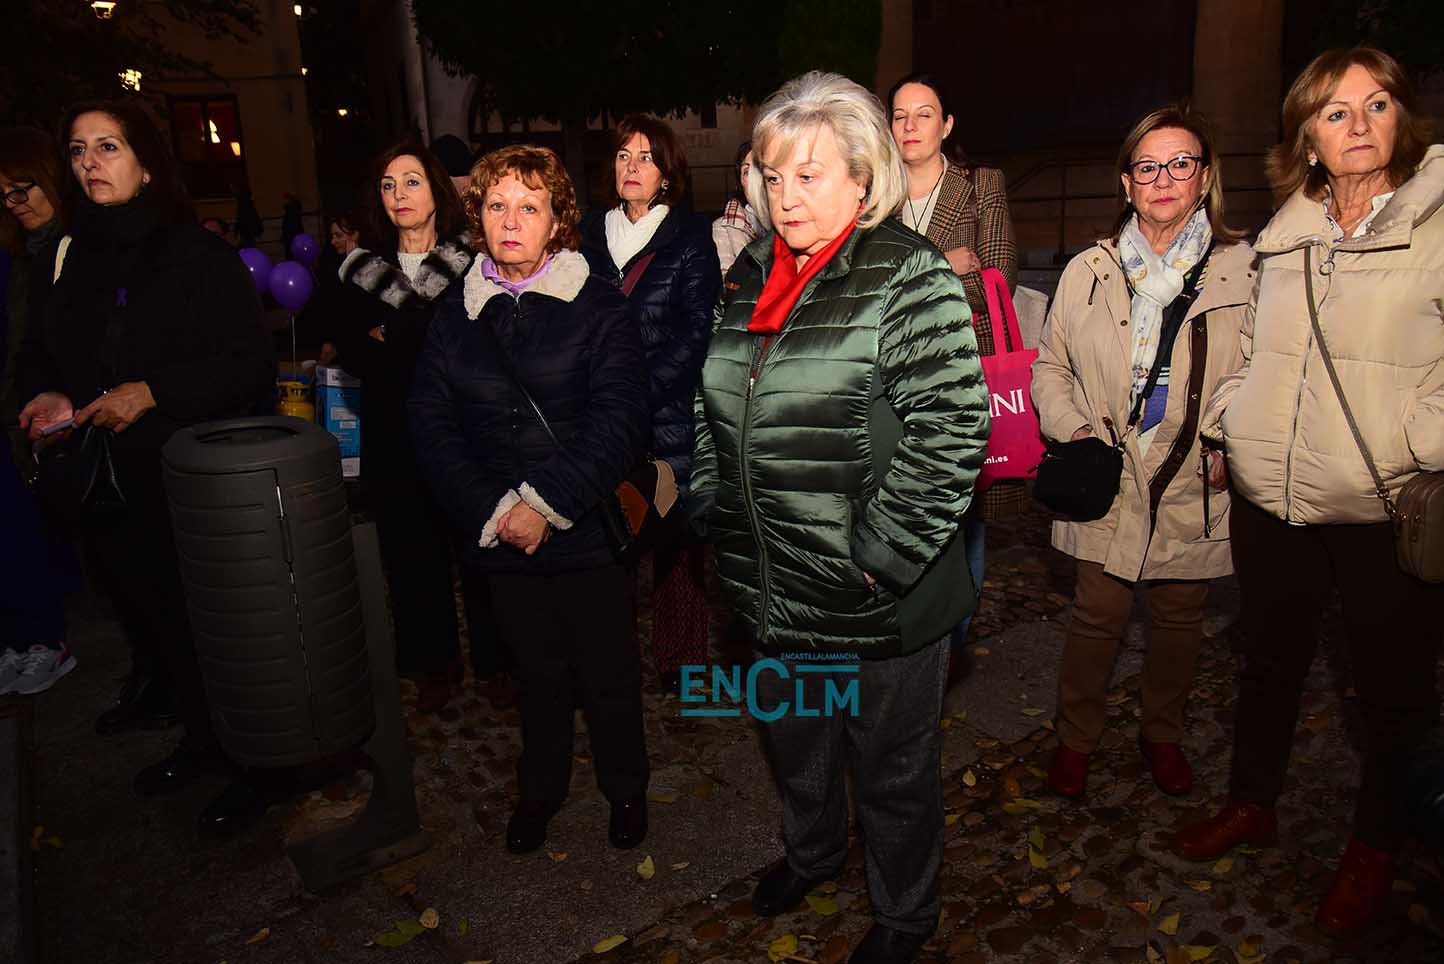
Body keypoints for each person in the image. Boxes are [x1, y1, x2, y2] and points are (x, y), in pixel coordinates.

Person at [690, 72, 989, 964]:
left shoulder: (906, 272)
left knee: (892, 772)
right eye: (773, 176)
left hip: (874, 597)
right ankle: (813, 856)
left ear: (863, 176)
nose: (785, 197)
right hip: (771, 582)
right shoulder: (750, 271)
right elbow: (713, 400)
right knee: (798, 744)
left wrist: (881, 553)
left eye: (809, 175)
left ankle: (905, 913)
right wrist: (713, 500)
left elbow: (954, 426)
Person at [1169, 47, 1444, 937]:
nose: (1358, 125)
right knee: (1267, 660)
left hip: (1379, 501)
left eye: (1376, 104)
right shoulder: (1284, 235)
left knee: (1392, 690)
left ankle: (1376, 845)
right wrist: (1232, 426)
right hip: (1274, 498)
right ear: (1307, 139)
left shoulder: (1438, 223)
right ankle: (1253, 802)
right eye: (1335, 112)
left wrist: (1416, 444)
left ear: (1402, 117)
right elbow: (1252, 346)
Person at [17, 100, 274, 833]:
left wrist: (154, 391)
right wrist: (51, 391)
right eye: (77, 150)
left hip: (186, 479)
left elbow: (246, 365)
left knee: (213, 630)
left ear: (147, 164)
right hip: (109, 482)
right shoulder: (74, 257)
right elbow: (46, 350)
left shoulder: (196, 255)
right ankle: (201, 743)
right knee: (157, 623)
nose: (89, 162)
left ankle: (257, 766)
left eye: (108, 146)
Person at [410, 144, 651, 855]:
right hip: (501, 536)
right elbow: (430, 424)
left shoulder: (598, 305)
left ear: (556, 221)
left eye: (529, 206)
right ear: (477, 216)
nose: (511, 221)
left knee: (607, 673)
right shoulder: (453, 314)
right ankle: (540, 791)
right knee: (534, 674)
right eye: (496, 205)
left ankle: (626, 789)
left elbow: (621, 417)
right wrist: (496, 511)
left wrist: (543, 503)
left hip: (584, 530)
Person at [1030, 104, 1252, 800]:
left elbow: (1262, 369)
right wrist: (1074, 431)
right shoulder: (1088, 271)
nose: (1163, 179)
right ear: (1126, 184)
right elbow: (1050, 366)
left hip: (1191, 471)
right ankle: (1076, 741)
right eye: (1147, 167)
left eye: (1180, 163)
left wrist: (1231, 434)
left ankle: (1163, 734)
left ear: (1205, 177)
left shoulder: (1244, 271)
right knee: (1097, 615)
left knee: (1180, 616)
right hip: (1107, 468)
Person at [580, 115, 720, 694]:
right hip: (597, 414)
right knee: (604, 536)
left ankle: (680, 662)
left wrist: (639, 392)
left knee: (674, 540)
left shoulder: (689, 238)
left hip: (667, 412)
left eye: (645, 157)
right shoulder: (588, 233)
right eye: (622, 155)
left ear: (667, 172)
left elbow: (696, 332)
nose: (631, 167)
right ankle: (608, 658)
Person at [333, 140, 474, 713]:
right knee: (411, 557)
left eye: (411, 182)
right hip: (393, 435)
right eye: (388, 185)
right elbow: (353, 353)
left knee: (482, 550)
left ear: (436, 189)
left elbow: (472, 350)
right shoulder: (359, 271)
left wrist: (391, 336)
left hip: (467, 432)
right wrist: (404, 340)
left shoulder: (473, 261)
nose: (399, 195)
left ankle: (500, 664)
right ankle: (432, 664)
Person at [887, 73, 1019, 661]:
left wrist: (909, 284)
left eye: (924, 114)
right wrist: (942, 264)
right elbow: (868, 288)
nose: (910, 126)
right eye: (899, 115)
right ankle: (909, 645)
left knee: (964, 520)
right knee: (900, 508)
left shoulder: (980, 185)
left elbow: (996, 280)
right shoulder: (874, 195)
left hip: (964, 378)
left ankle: (949, 654)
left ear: (946, 125)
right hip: (891, 383)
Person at [0, 125, 74, 695]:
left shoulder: (78, 249)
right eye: (5, 193)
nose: (15, 201)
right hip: (24, 413)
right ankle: (22, 641)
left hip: (76, 416)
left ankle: (47, 641)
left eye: (23, 187)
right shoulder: (19, 257)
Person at [712, 140, 761, 275]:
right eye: (747, 172)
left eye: (760, 168)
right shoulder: (722, 229)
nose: (755, 178)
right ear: (740, 183)